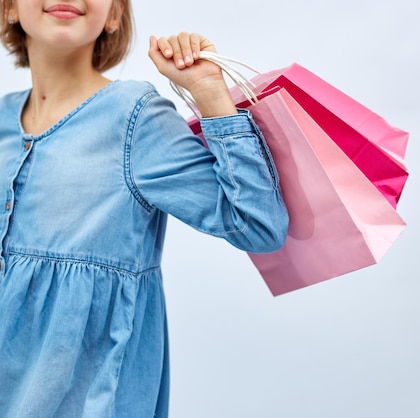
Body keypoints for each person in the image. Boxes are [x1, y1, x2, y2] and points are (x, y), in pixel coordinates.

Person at [0, 0, 288, 415]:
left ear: (114, 15)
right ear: (10, 8)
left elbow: (259, 226)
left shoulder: (134, 117)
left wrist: (210, 93)